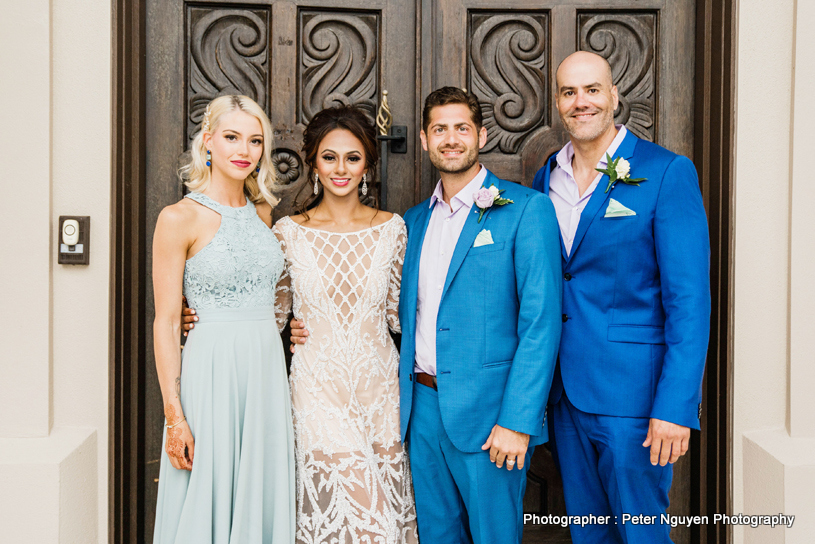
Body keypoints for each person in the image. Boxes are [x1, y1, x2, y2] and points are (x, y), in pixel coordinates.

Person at [292, 88, 562, 543]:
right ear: (423, 139)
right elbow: (381, 307)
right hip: (419, 412)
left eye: (462, 128)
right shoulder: (410, 222)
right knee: (436, 536)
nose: (451, 139)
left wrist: (518, 421)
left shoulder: (525, 209)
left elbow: (541, 323)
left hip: (490, 414)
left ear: (482, 133)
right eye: (440, 129)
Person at [184, 105, 419, 544]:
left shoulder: (393, 229)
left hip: (380, 392)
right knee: (369, 526)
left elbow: (400, 315)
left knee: (388, 512)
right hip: (316, 392)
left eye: (353, 157)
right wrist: (200, 310)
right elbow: (265, 308)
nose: (341, 168)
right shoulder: (287, 231)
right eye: (329, 157)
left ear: (368, 163)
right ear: (313, 163)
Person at [531, 51, 710, 543]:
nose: (580, 101)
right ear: (558, 104)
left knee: (641, 534)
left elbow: (689, 302)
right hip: (565, 394)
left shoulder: (666, 173)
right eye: (569, 92)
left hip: (635, 399)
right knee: (590, 533)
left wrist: (676, 405)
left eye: (592, 90)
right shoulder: (546, 177)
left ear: (614, 96)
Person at [152, 94, 294, 543]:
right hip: (211, 370)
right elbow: (167, 322)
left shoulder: (264, 213)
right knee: (207, 489)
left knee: (258, 489)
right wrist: (174, 416)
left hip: (266, 371)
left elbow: (276, 295)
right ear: (208, 141)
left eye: (255, 141)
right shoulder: (179, 218)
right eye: (232, 136)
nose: (244, 150)